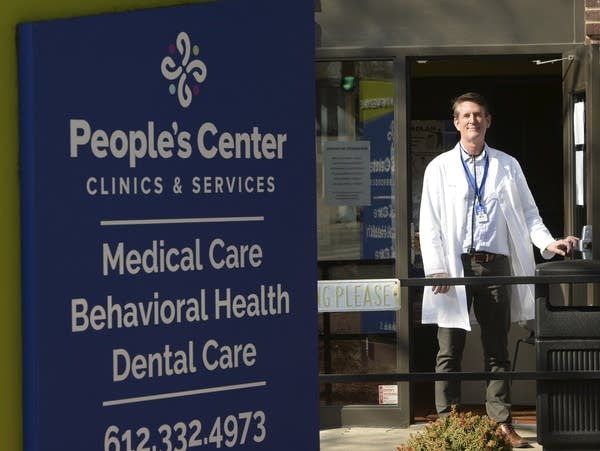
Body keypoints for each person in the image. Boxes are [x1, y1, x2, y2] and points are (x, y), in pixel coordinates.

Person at [418, 92, 579, 448]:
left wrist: (548, 243)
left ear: (488, 121)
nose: (472, 121)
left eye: (478, 115)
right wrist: (436, 269)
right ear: (456, 122)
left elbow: (528, 214)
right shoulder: (439, 167)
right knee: (449, 348)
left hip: (495, 266)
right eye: (465, 115)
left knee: (497, 348)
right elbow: (428, 223)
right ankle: (447, 424)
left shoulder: (507, 165)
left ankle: (501, 422)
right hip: (454, 266)